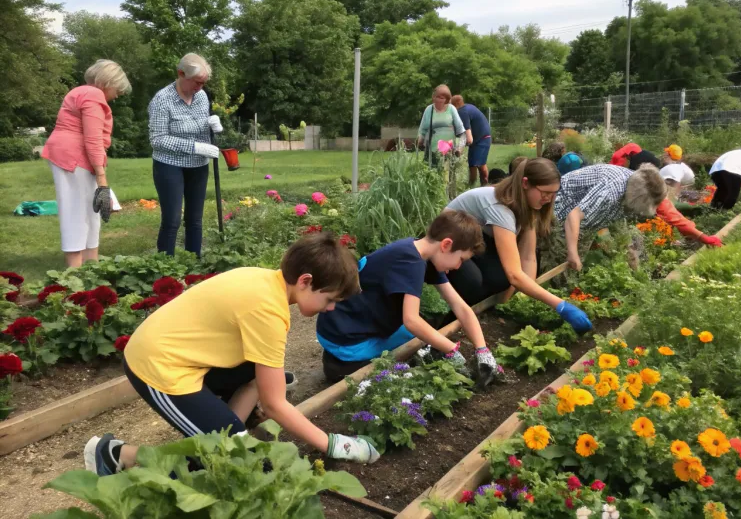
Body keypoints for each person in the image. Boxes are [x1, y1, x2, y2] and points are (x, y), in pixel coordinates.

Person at [84, 233, 380, 476]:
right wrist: (335, 445)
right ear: (305, 281)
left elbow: (265, 378)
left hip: (181, 353)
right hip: (159, 368)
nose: (330, 309)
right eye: (329, 300)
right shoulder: (268, 310)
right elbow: (276, 405)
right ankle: (118, 456)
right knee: (244, 466)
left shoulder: (266, 280)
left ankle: (224, 433)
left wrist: (264, 396)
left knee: (243, 418)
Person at [317, 210, 500, 386]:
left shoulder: (421, 253)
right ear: (446, 245)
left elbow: (459, 306)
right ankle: (340, 365)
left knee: (423, 336)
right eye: (461, 259)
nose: (459, 267)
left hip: (348, 323)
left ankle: (344, 360)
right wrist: (452, 350)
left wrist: (482, 350)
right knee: (410, 353)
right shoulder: (410, 262)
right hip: (344, 336)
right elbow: (411, 320)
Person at [444, 158, 592, 332]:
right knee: (473, 284)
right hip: (447, 243)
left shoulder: (527, 205)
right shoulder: (500, 207)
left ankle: (473, 317)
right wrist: (560, 305)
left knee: (500, 281)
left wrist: (521, 301)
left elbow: (528, 257)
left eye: (553, 193)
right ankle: (445, 328)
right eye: (545, 192)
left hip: (476, 240)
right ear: (525, 183)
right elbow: (514, 274)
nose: (548, 199)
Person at [41, 60, 132, 268]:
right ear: (106, 82)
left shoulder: (82, 92)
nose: (117, 95)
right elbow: (93, 140)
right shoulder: (93, 95)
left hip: (75, 157)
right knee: (76, 212)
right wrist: (102, 180)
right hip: (73, 158)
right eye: (116, 89)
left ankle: (92, 265)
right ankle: (75, 271)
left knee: (91, 212)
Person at [149, 53, 223, 257]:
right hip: (169, 164)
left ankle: (194, 266)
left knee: (195, 219)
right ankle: (165, 267)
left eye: (203, 82)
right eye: (197, 82)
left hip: (198, 165)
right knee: (172, 219)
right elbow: (158, 139)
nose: (200, 87)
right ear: (181, 73)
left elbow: (200, 128)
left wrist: (212, 127)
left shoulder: (201, 96)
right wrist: (194, 147)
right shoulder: (162, 100)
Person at [555, 164, 667, 271]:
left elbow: (618, 222)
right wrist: (573, 253)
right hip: (562, 211)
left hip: (585, 224)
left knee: (574, 268)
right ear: (639, 197)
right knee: (560, 258)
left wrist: (629, 250)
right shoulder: (611, 191)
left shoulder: (633, 188)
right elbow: (574, 215)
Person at [658, 161, 722, 248]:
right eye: (680, 186)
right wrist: (705, 238)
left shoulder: (654, 189)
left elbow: (674, 217)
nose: (681, 189)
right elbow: (675, 218)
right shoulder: (658, 198)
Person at [417, 84, 466, 165]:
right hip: (431, 152)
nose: (439, 100)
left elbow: (462, 132)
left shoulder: (451, 109)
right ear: (433, 97)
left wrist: (459, 149)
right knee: (432, 173)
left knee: (447, 175)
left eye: (442, 98)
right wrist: (419, 143)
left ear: (446, 99)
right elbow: (422, 130)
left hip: (449, 152)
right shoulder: (429, 110)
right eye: (437, 97)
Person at [451, 95, 491, 186]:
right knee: (472, 164)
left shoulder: (462, 112)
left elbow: (468, 138)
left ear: (455, 104)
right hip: (479, 138)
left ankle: (484, 185)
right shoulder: (467, 107)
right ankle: (471, 185)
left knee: (480, 164)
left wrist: (459, 149)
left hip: (482, 139)